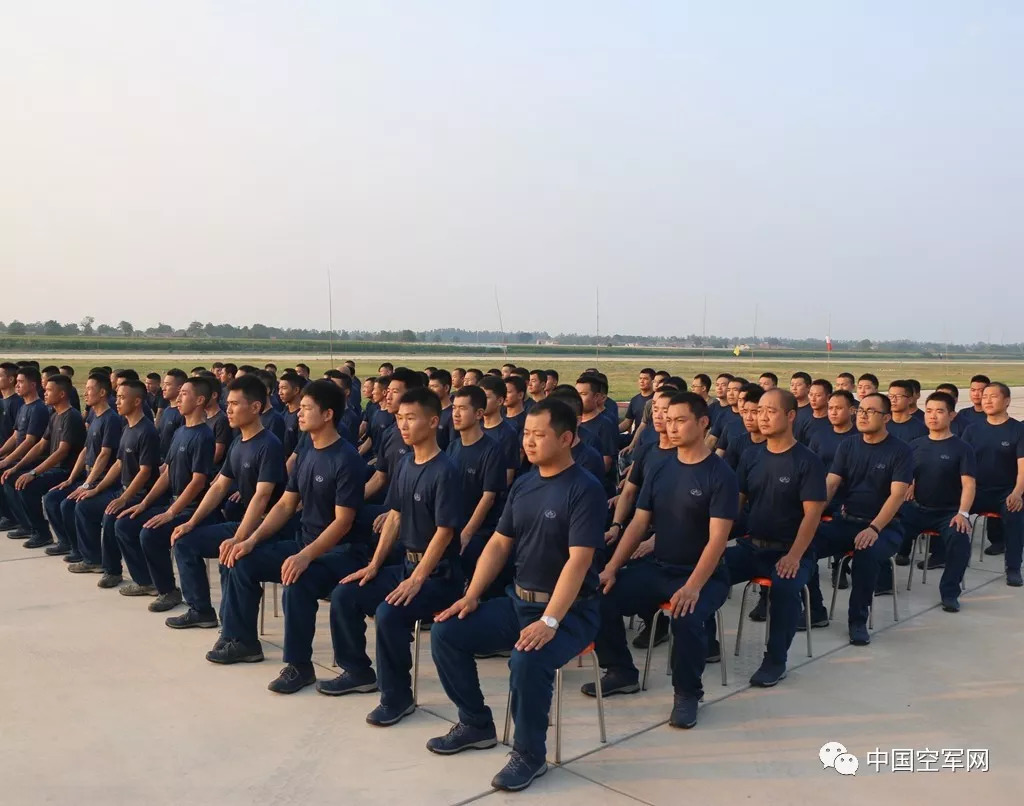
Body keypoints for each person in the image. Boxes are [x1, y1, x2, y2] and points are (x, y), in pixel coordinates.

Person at [426, 399, 605, 792]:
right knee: (447, 632)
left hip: (570, 612)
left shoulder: (585, 489)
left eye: (539, 435)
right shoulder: (524, 484)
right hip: (519, 601)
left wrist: (550, 620)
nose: (529, 442)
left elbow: (578, 561)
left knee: (527, 660)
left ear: (566, 439)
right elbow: (498, 544)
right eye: (526, 433)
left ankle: (529, 754)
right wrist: (472, 595)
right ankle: (475, 723)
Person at [205, 380, 368, 695]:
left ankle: (299, 666)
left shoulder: (346, 458)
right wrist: (250, 540)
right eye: (300, 408)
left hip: (341, 551)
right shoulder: (308, 450)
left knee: (296, 582)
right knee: (242, 560)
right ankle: (243, 641)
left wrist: (305, 556)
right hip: (304, 543)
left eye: (307, 408)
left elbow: (343, 522)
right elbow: (285, 504)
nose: (299, 414)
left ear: (328, 414)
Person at [587, 392, 736, 729]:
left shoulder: (720, 475)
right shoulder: (660, 466)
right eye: (668, 420)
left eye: (680, 420)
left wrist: (693, 587)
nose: (671, 427)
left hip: (703, 575)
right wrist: (611, 568)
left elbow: (717, 540)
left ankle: (687, 694)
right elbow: (639, 523)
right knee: (600, 593)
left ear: (703, 423)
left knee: (686, 617)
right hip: (660, 567)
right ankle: (621, 670)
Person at [324, 387, 464, 727]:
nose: (403, 425)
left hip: (439, 575)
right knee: (345, 594)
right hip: (405, 566)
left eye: (411, 418)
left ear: (433, 421)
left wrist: (417, 579)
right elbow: (395, 516)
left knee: (389, 613)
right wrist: (374, 565)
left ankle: (397, 697)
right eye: (399, 418)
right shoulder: (404, 463)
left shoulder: (446, 471)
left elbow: (444, 533)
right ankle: (357, 671)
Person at [716, 389, 826, 686]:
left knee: (785, 589)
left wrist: (794, 556)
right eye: (759, 410)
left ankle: (775, 660)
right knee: (707, 572)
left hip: (791, 550)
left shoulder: (807, 461)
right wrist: (714, 543)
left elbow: (812, 515)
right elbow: (735, 505)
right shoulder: (751, 455)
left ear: (790, 416)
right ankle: (707, 644)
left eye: (770, 411)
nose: (761, 417)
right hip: (752, 546)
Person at [167, 375, 287, 630]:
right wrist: (191, 522)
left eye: (234, 404)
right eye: (227, 403)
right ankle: (201, 610)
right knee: (185, 541)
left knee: (231, 555)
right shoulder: (238, 443)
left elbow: (262, 497)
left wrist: (239, 537)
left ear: (255, 407)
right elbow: (219, 486)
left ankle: (234, 629)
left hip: (268, 528)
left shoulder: (269, 445)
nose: (228, 410)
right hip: (245, 524)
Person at [804, 393, 913, 644]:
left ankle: (858, 620)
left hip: (885, 527)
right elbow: (831, 485)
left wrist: (874, 528)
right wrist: (810, 517)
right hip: (847, 520)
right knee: (803, 544)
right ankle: (816, 610)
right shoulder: (848, 446)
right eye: (861, 410)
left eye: (871, 411)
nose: (863, 415)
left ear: (886, 418)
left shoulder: (900, 451)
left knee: (866, 553)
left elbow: (897, 495)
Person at [114, 377, 216, 611]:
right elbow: (167, 473)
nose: (179, 398)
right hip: (174, 504)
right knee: (125, 523)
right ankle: (147, 581)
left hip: (195, 510)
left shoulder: (203, 436)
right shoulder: (180, 432)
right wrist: (144, 504)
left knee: (151, 534)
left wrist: (171, 513)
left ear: (199, 400)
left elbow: (198, 482)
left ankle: (172, 593)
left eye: (185, 394)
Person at [885, 392, 976, 610]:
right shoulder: (914, 445)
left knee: (960, 540)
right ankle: (882, 583)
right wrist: (910, 485)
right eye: (928, 411)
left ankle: (950, 593)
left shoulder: (962, 448)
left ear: (951, 415)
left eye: (939, 411)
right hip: (917, 508)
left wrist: (963, 513)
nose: (933, 416)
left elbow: (969, 484)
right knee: (881, 531)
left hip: (948, 513)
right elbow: (904, 476)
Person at [69, 380, 161, 584]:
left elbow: (145, 472)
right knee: (84, 506)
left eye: (121, 398)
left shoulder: (146, 431)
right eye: (117, 397)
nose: (117, 402)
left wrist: (124, 499)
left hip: (141, 494)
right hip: (124, 490)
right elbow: (119, 463)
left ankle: (126, 575)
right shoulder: (127, 428)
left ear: (137, 401)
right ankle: (93, 559)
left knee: (113, 517)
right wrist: (96, 489)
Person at [42, 373, 121, 560]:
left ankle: (90, 556)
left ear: (102, 392)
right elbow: (85, 450)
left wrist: (87, 484)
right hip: (88, 478)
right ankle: (71, 545)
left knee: (72, 505)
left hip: (104, 482)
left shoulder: (111, 419)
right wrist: (71, 480)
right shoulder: (94, 416)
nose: (85, 393)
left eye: (89, 389)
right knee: (53, 497)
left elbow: (104, 455)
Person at [2, 374, 87, 548]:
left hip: (66, 471)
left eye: (49, 390)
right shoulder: (55, 415)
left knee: (29, 486)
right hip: (55, 469)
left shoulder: (71, 416)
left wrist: (33, 473)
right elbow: (41, 445)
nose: (45, 393)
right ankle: (29, 526)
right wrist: (16, 467)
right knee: (13, 477)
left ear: (62, 394)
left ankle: (43, 533)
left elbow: (62, 452)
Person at [961, 382, 1024, 586]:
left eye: (993, 396)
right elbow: (961, 464)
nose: (987, 400)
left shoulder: (1018, 430)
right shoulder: (972, 430)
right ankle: (948, 560)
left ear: (1007, 401)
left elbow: (1022, 467)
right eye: (984, 396)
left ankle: (1013, 568)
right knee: (950, 513)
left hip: (1006, 492)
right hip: (975, 491)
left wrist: (1017, 493)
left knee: (1015, 516)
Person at [446, 385, 508, 589]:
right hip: (453, 524)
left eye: (463, 408)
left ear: (479, 414)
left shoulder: (492, 450)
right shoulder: (453, 447)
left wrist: (467, 533)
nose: (456, 414)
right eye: (454, 408)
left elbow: (488, 497)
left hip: (480, 530)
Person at [478, 375, 520, 487]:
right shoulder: (475, 427)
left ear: (500, 401)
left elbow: (508, 475)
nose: (481, 402)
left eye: (486, 398)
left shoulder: (508, 433)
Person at [576, 374, 617, 476]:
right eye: (576, 394)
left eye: (583, 394)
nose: (578, 398)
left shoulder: (605, 425)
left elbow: (606, 462)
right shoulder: (573, 422)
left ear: (596, 397)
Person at [156, 369, 187, 461]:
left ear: (179, 388)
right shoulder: (167, 410)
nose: (163, 388)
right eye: (164, 384)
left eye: (168, 384)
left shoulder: (183, 413)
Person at [203, 376, 232, 470]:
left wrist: (201, 468)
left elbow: (218, 454)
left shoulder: (221, 420)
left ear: (214, 395)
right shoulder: (203, 416)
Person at [795, 379, 832, 446]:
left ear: (828, 397)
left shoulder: (834, 421)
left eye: (818, 395)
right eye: (811, 394)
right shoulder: (802, 420)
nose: (813, 399)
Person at [277, 371, 304, 457]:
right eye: (279, 388)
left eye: (284, 388)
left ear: (296, 390)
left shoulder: (302, 417)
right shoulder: (283, 413)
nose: (280, 392)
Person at [620, 368, 655, 434]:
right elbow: (627, 422)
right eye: (640, 378)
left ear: (652, 381)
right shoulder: (634, 400)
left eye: (645, 379)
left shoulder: (657, 400)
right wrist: (613, 431)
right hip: (635, 436)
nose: (642, 381)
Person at [428, 369, 454, 450]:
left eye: (435, 386)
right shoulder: (429, 411)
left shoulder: (453, 414)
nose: (431, 390)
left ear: (446, 388)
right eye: (430, 386)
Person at [503, 375, 528, 440]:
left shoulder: (526, 421)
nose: (504, 395)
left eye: (508, 392)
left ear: (520, 395)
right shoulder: (499, 417)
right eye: (503, 392)